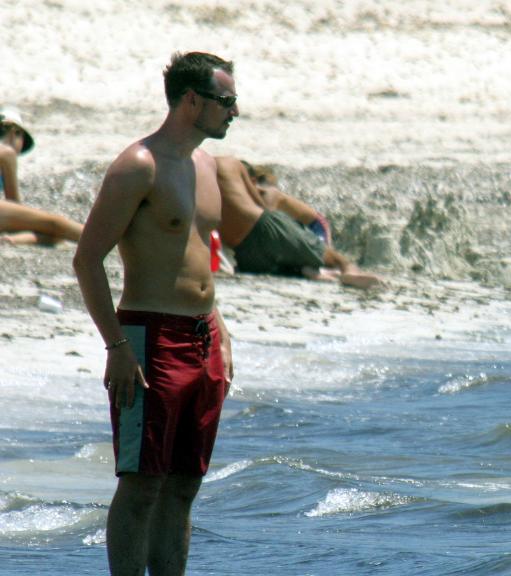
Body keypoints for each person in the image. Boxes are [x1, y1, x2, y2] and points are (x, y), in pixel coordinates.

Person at [73, 52, 237, 576]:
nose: (235, 111)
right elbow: (87, 259)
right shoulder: (137, 166)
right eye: (226, 101)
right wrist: (117, 346)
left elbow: (200, 254)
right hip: (149, 338)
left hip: (203, 336)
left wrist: (221, 330)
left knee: (186, 483)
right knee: (142, 483)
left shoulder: (207, 165)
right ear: (193, 101)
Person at [215, 155, 382, 288]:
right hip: (266, 229)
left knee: (320, 254)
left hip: (315, 226)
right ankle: (343, 269)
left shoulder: (270, 193)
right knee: (320, 257)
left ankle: (331, 270)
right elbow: (266, 218)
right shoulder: (230, 165)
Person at [0, 107, 84, 245]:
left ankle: (11, 241)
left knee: (54, 235)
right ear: (15, 133)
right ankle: (107, 239)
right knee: (56, 224)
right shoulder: (7, 153)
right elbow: (15, 204)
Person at [242, 160, 332, 245]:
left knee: (323, 256)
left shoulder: (268, 193)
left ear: (252, 181)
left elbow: (266, 221)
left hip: (315, 225)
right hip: (298, 229)